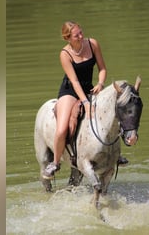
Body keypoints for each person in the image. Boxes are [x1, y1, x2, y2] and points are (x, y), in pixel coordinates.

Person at [42, 21, 128, 180]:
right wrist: (86, 103)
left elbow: (102, 68)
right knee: (61, 129)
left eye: (81, 32)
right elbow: (74, 81)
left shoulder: (93, 43)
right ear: (67, 38)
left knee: (113, 113)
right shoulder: (65, 54)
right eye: (76, 35)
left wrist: (100, 83)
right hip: (70, 90)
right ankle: (55, 163)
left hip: (90, 88)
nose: (81, 36)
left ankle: (116, 155)